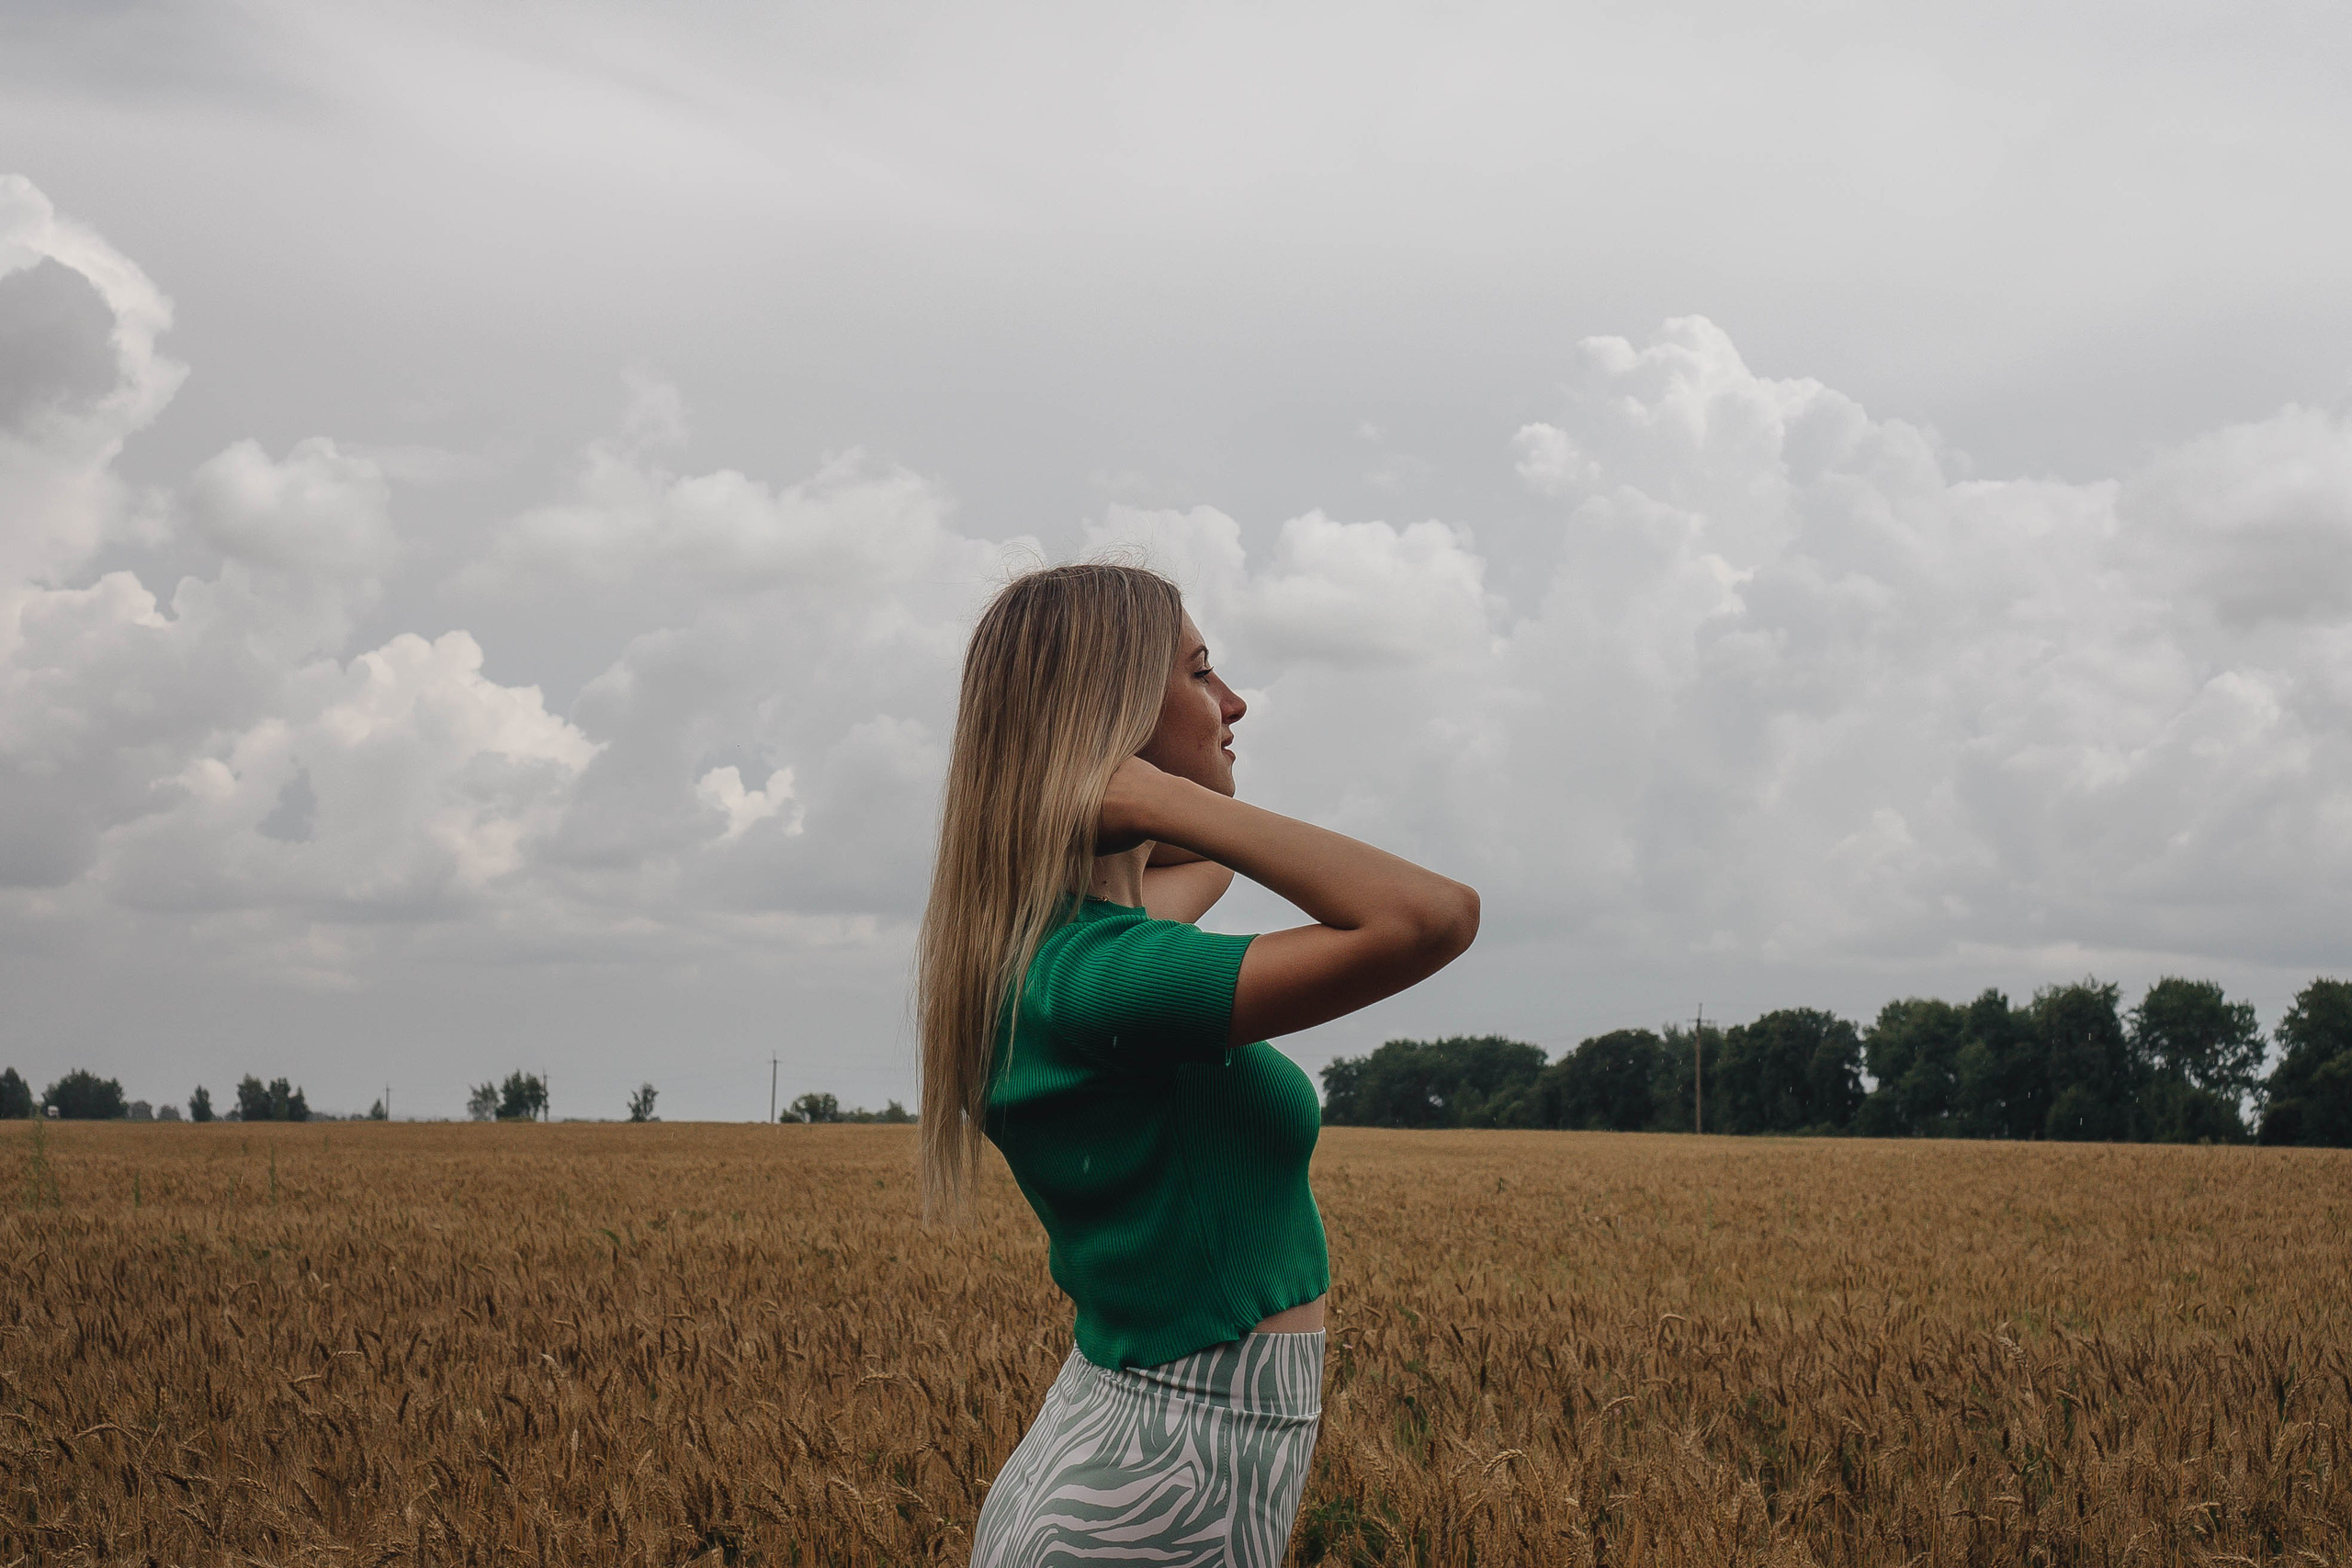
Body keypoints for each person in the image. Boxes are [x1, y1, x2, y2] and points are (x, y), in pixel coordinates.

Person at [919, 561, 1479, 1567]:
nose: (1233, 702)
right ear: (1114, 716)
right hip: (1154, 1498)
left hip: (1132, 1461)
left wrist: (1135, 798)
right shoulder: (1103, 981)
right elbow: (1430, 918)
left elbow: (1207, 870)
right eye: (1201, 673)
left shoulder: (1041, 954)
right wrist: (1143, 791)